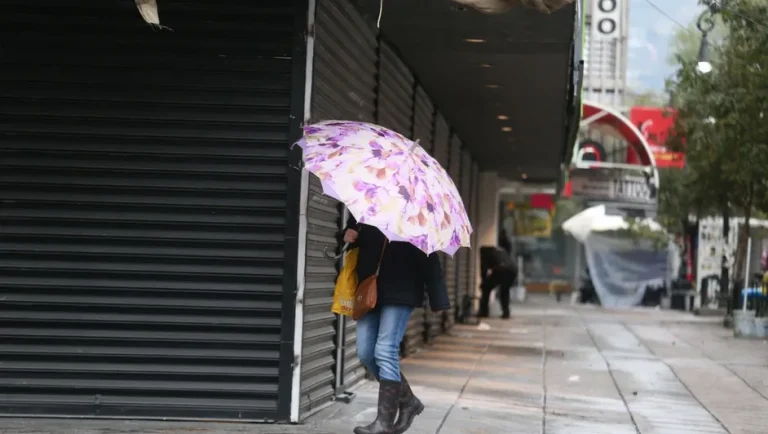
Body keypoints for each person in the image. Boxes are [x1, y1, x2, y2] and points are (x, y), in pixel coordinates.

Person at [343, 216, 449, 434]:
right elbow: (354, 236)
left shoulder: (418, 217)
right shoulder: (370, 207)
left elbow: (430, 259)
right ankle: (408, 401)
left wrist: (438, 299)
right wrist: (349, 234)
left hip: (402, 291)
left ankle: (384, 422)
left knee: (384, 350)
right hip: (369, 289)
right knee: (365, 353)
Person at [478, 246, 517, 319]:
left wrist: (483, 282)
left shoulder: (485, 254)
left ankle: (484, 312)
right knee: (504, 291)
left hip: (501, 269)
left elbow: (484, 269)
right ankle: (506, 313)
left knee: (486, 288)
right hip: (512, 270)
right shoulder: (501, 250)